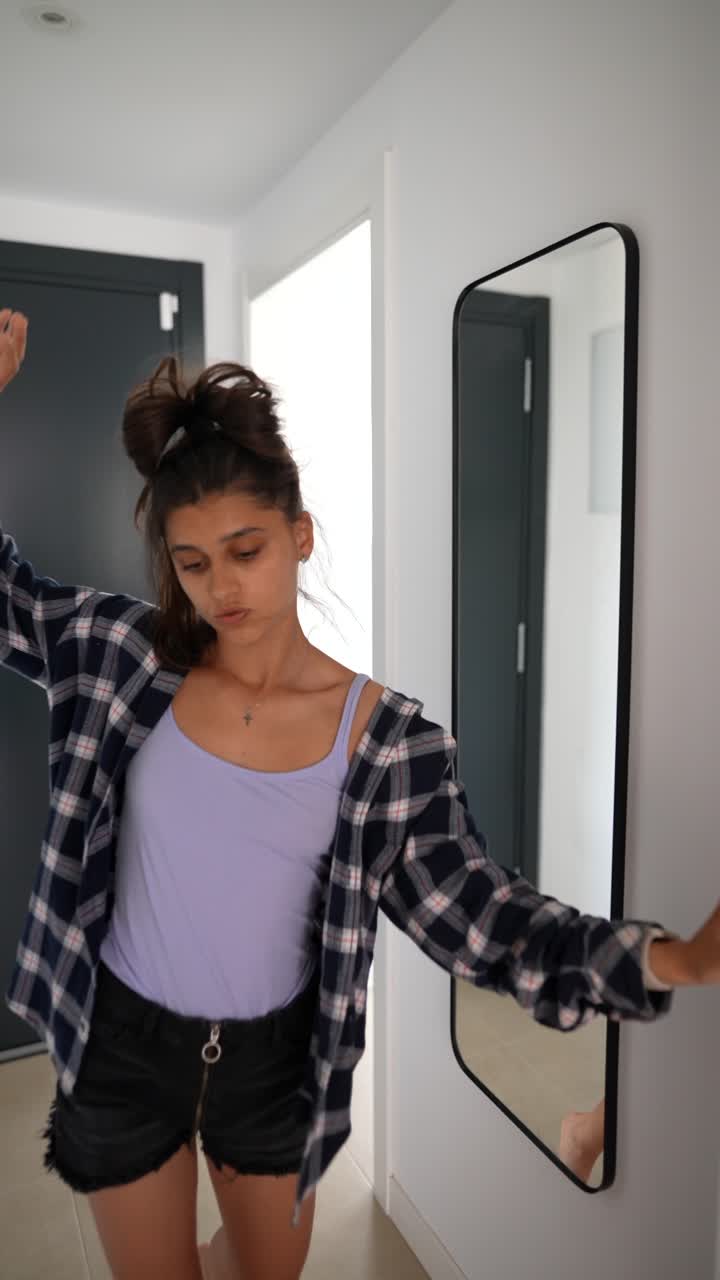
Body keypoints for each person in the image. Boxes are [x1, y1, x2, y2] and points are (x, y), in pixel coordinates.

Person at [0, 306, 717, 1280]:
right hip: (124, 1038)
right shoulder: (124, 655)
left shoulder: (383, 744)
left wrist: (677, 958)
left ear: (299, 535)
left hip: (270, 1060)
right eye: (192, 561)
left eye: (246, 551)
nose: (221, 590)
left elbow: (487, 918)